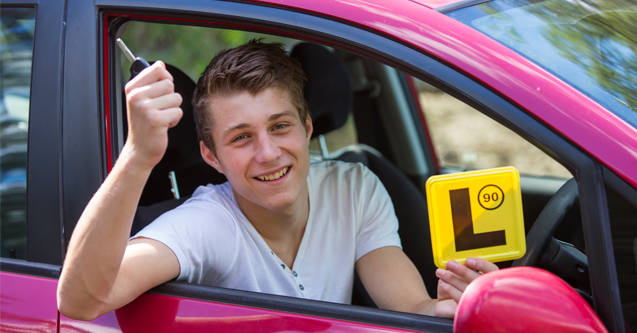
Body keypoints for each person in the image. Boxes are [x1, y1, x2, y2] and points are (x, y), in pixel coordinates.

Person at [57, 40, 498, 321]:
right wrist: (137, 158)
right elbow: (79, 303)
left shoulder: (354, 188)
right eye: (242, 137)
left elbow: (409, 308)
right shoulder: (205, 223)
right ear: (211, 156)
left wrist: (446, 309)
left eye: (280, 127)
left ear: (307, 128)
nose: (268, 152)